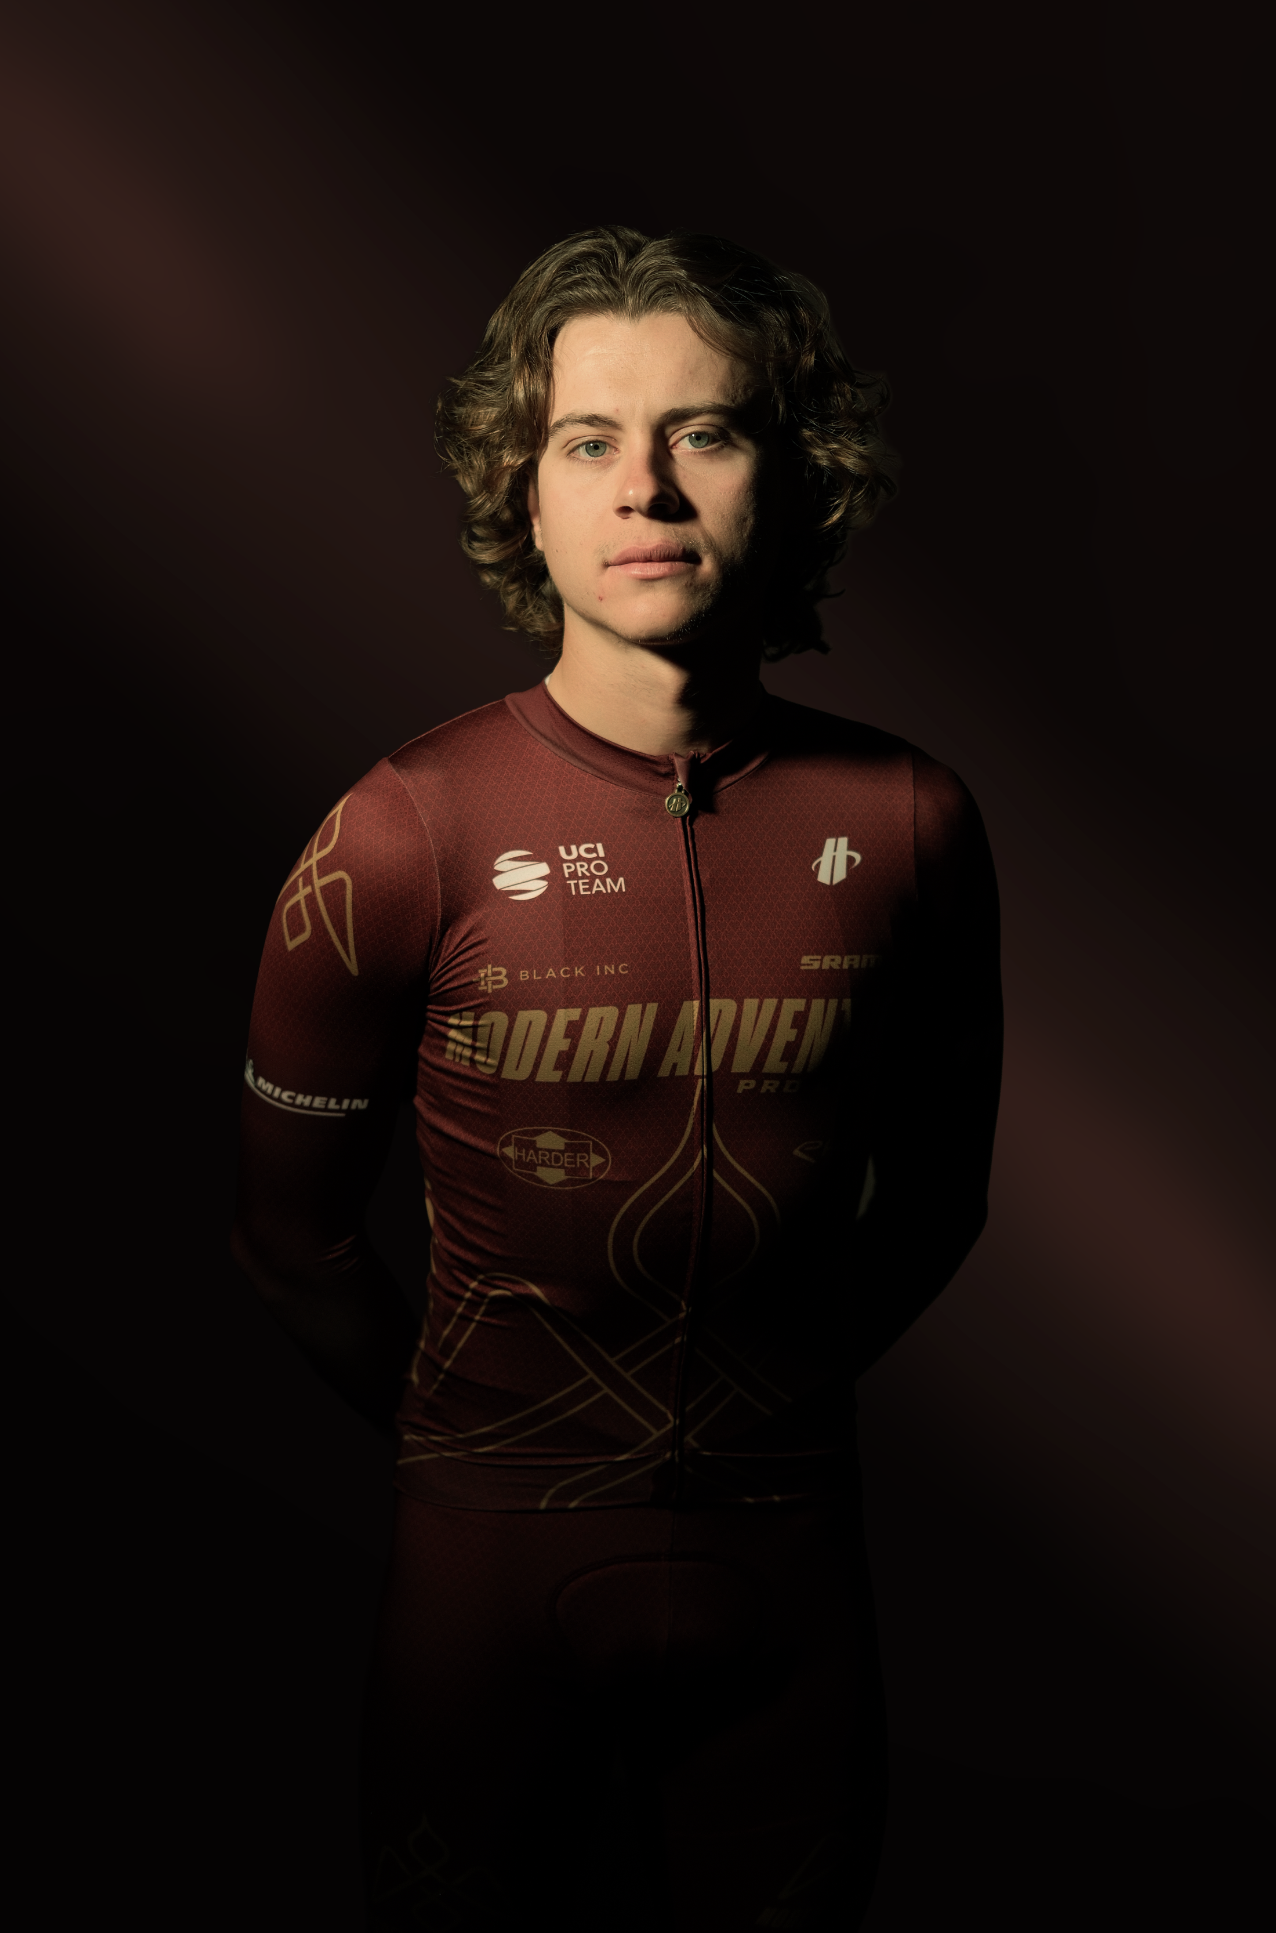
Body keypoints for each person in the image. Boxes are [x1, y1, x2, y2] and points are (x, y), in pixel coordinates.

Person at [231, 225, 1003, 1931]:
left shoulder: (913, 824)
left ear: (797, 479)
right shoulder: (402, 830)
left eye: (706, 434)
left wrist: (763, 1401)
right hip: (485, 1576)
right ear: (525, 488)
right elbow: (290, 1240)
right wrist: (484, 1436)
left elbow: (944, 1195)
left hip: (789, 1561)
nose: (646, 487)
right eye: (591, 441)